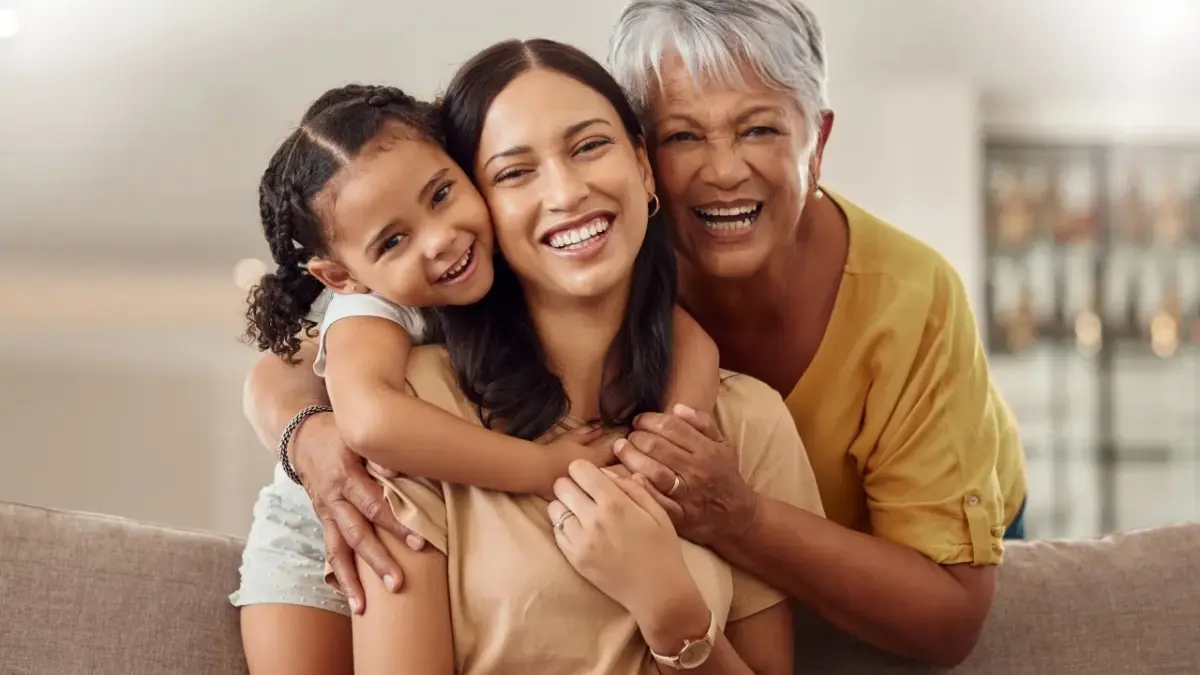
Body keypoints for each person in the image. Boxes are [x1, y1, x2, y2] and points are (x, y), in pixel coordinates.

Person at [243, 0, 1026, 669]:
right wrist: (307, 429)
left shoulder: (857, 332)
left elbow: (949, 614)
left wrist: (700, 559)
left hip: (930, 526)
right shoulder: (433, 360)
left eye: (757, 129)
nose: (721, 173)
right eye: (685, 137)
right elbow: (310, 372)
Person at [344, 38, 822, 674]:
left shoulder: (748, 421)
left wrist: (670, 608)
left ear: (644, 168)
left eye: (589, 146)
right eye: (515, 173)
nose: (566, 192)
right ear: (479, 208)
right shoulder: (420, 408)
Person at [230, 82, 719, 674]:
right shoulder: (370, 312)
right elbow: (371, 422)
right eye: (392, 241)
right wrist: (540, 467)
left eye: (441, 194)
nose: (439, 240)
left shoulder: (505, 262)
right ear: (342, 276)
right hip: (313, 539)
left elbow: (683, 332)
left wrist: (674, 440)